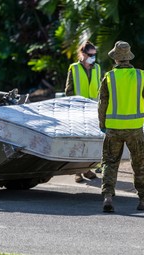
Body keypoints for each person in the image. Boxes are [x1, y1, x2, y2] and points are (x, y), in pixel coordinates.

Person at [98, 41, 144, 212]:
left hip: (113, 129)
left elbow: (102, 103)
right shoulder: (141, 77)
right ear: (129, 57)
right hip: (135, 129)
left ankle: (108, 196)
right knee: (139, 163)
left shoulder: (109, 77)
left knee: (110, 162)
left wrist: (102, 124)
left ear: (115, 59)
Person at [65, 41, 101, 183]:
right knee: (78, 142)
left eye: (94, 54)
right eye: (91, 54)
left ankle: (87, 168)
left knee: (91, 141)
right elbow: (68, 90)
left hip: (93, 110)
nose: (93, 57)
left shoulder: (97, 68)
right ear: (83, 54)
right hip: (77, 110)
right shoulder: (74, 68)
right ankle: (78, 172)